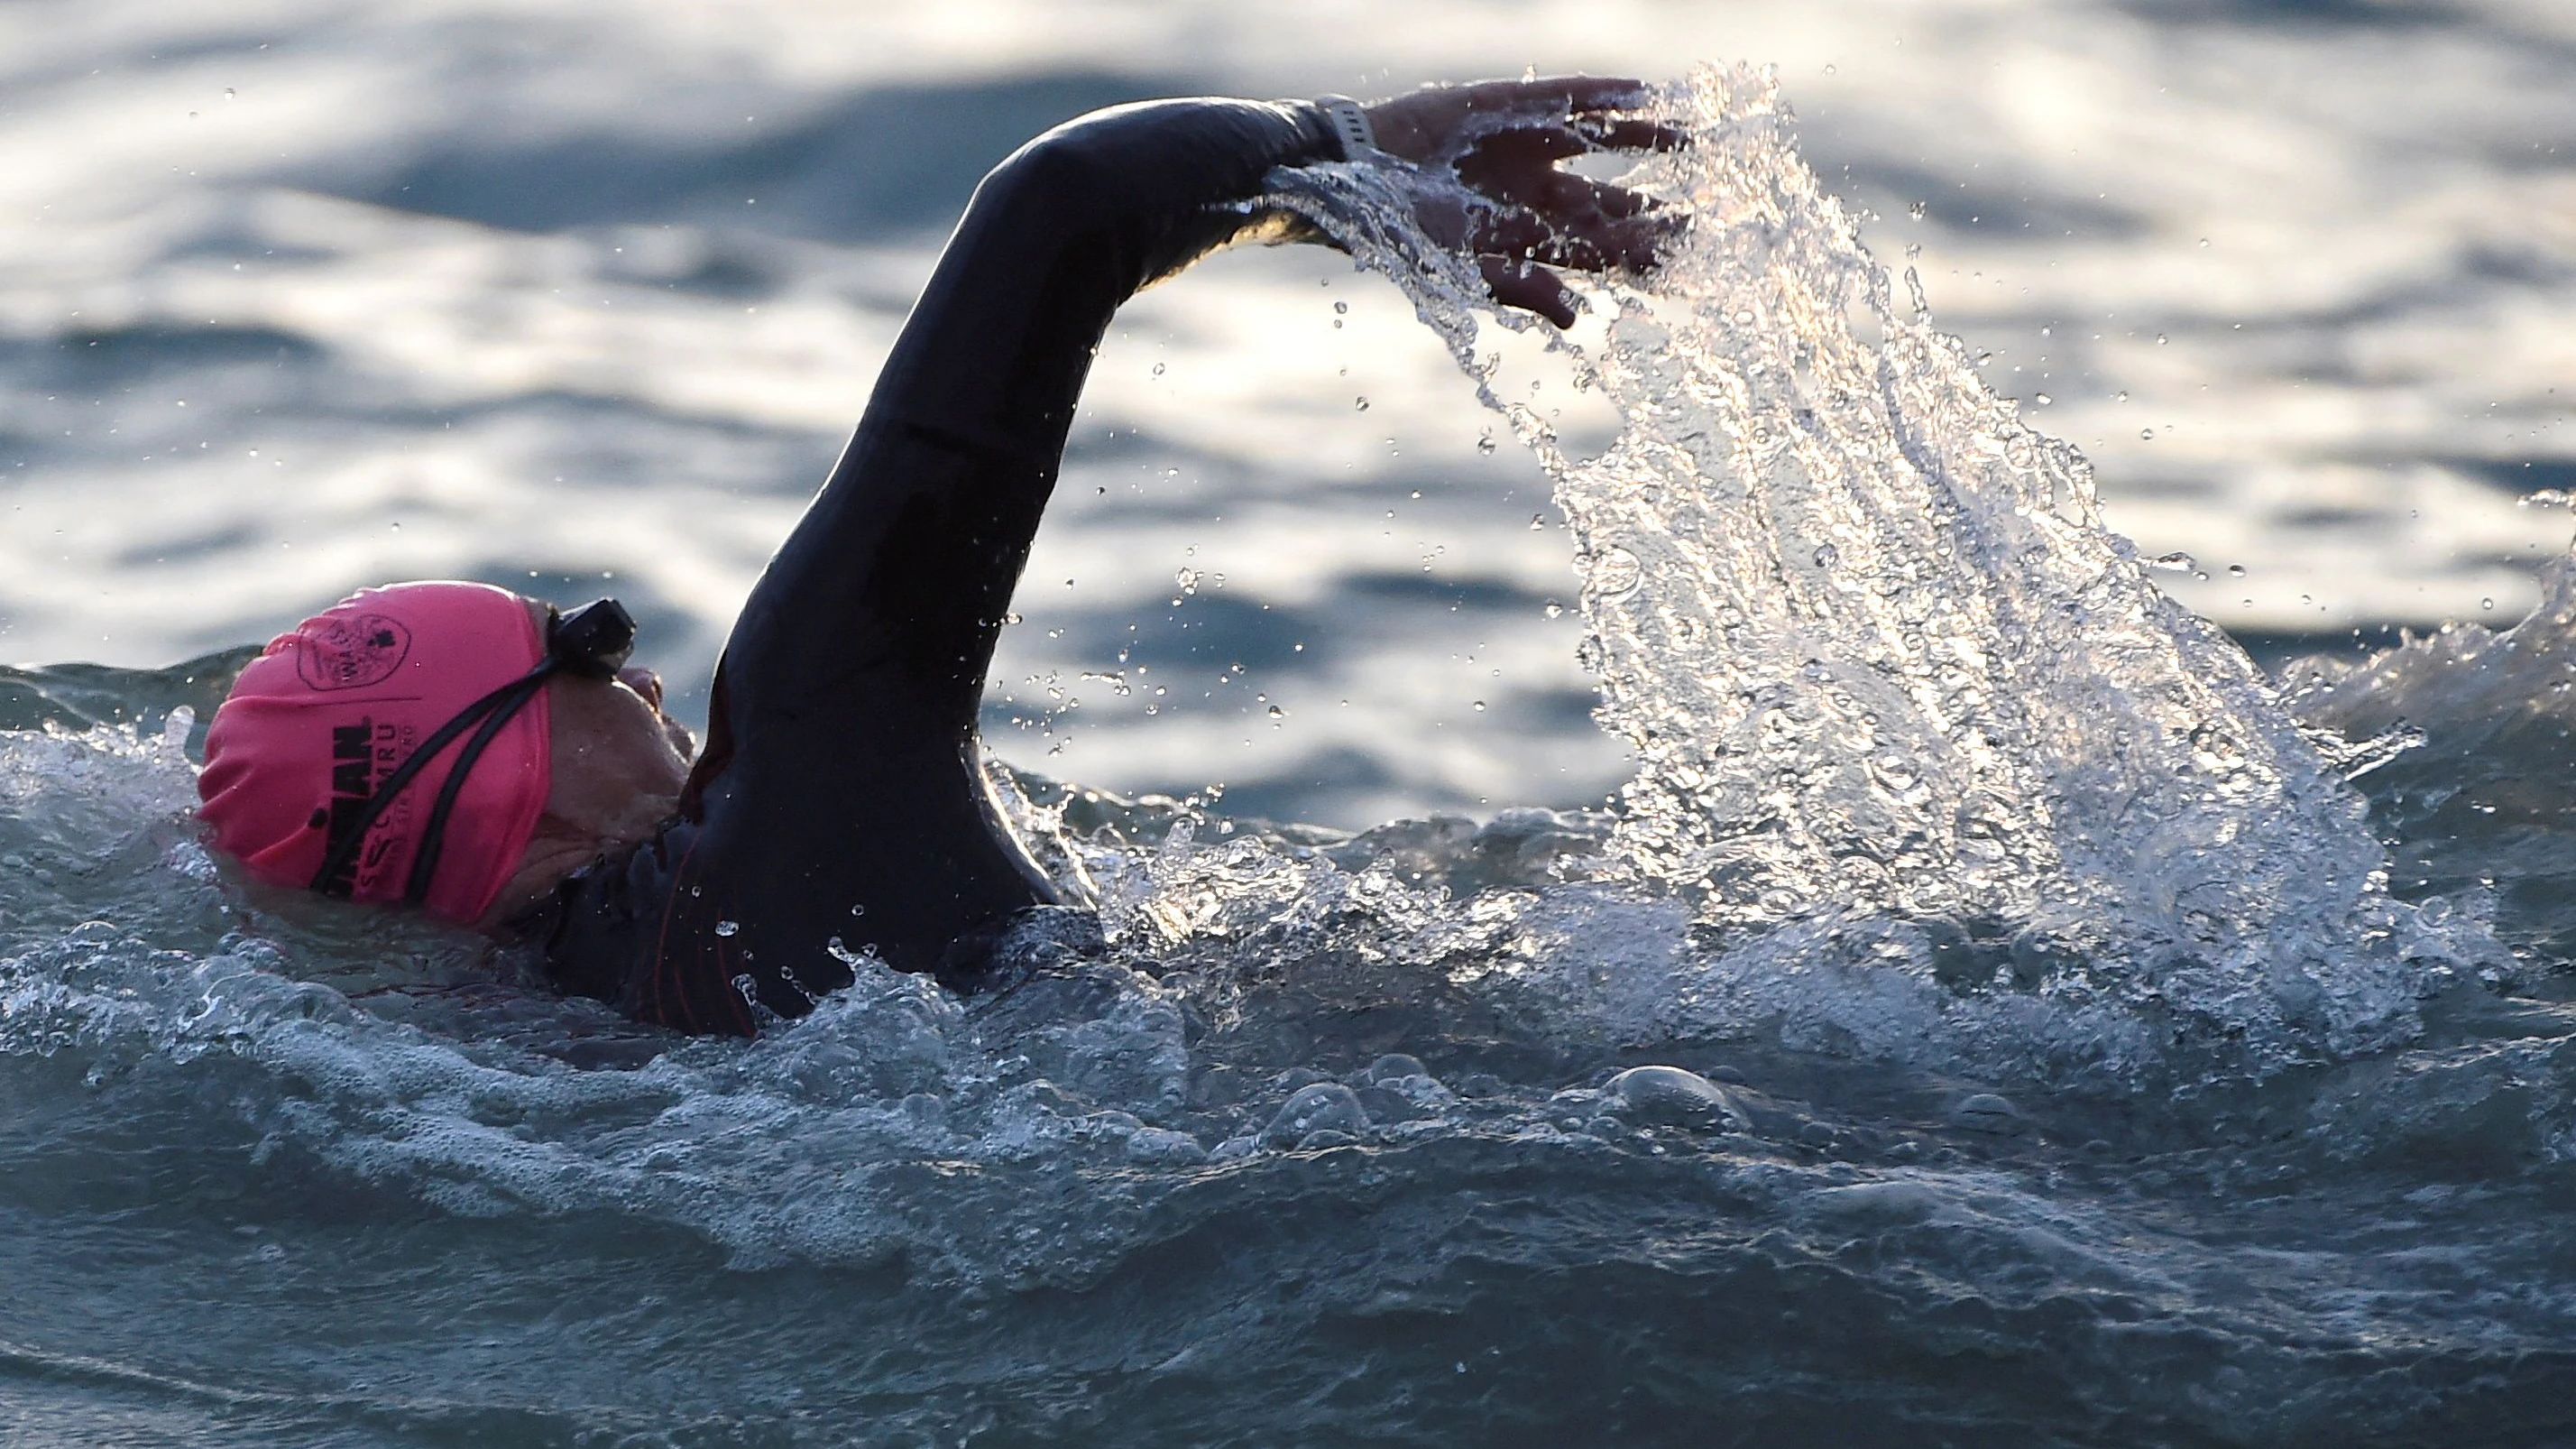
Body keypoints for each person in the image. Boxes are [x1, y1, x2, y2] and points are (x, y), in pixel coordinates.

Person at [195, 78, 1676, 1035]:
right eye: (580, 638)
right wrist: (1342, 157)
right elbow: (1062, 207)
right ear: (503, 783)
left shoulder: (558, 1029)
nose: (641, 668)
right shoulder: (790, 787)